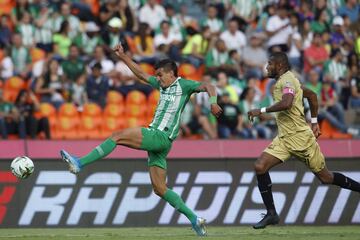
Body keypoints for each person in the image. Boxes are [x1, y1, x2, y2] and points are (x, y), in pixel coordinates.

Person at [60, 44, 223, 236]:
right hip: (162, 145)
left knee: (117, 136)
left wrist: (213, 104)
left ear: (171, 74)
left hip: (159, 136)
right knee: (160, 189)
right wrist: (123, 56)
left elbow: (209, 86)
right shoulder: (161, 85)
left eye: (161, 74)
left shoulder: (184, 85)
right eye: (157, 75)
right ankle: (195, 219)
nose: (158, 78)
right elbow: (140, 74)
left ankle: (79, 163)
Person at [247, 52, 360, 229]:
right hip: (284, 139)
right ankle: (271, 214)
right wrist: (314, 122)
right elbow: (312, 96)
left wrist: (260, 110)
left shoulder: (287, 80)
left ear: (280, 65)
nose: (267, 67)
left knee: (326, 177)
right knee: (260, 166)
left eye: (270, 64)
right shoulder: (289, 81)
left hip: (302, 140)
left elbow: (287, 103)